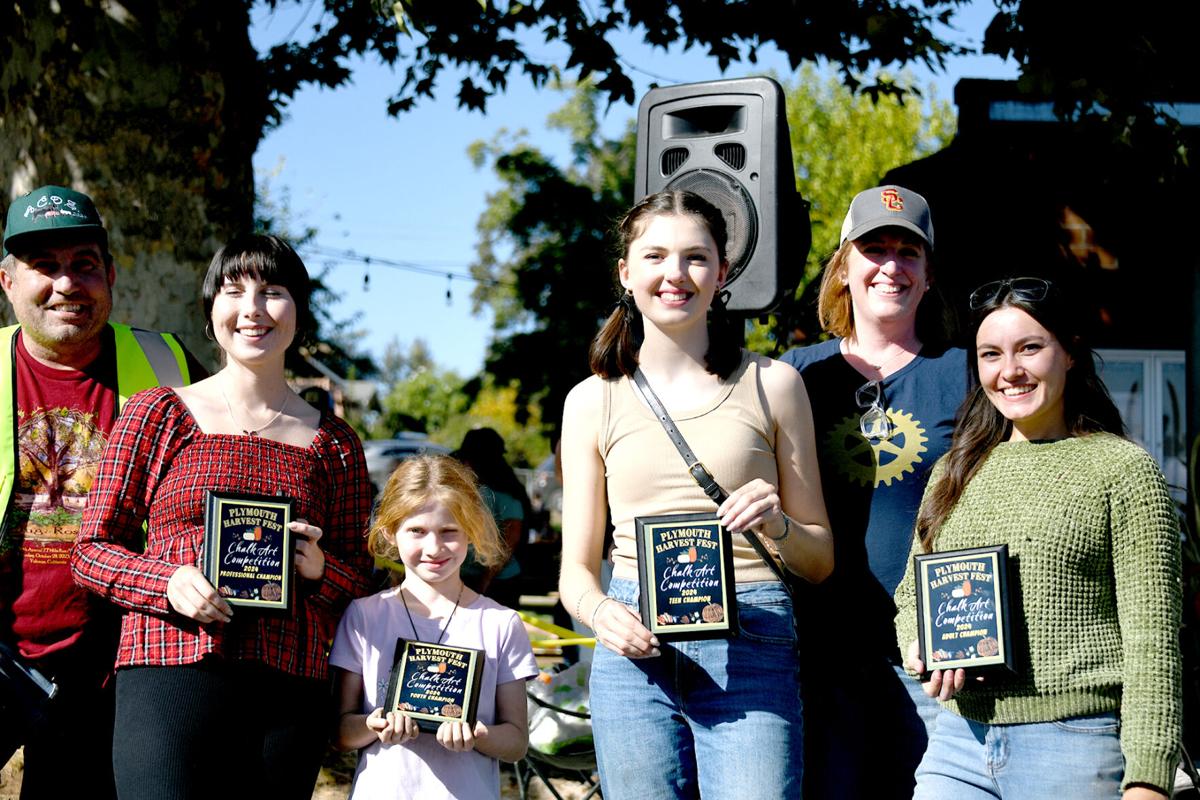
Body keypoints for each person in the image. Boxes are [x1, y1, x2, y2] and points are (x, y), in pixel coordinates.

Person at [71, 234, 373, 800]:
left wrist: (318, 569)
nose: (253, 309)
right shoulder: (159, 413)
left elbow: (361, 576)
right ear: (211, 312)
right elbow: (91, 553)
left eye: (273, 292)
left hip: (289, 683)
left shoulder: (335, 444)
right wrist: (167, 581)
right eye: (234, 290)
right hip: (168, 665)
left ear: (298, 313)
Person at [558, 189, 833, 799]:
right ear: (626, 273)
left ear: (723, 273)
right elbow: (575, 573)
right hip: (633, 652)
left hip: (753, 636)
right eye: (655, 256)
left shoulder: (776, 384)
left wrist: (777, 523)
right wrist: (604, 614)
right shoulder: (590, 400)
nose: (674, 274)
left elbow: (818, 561)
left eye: (695, 257)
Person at [894, 276, 1181, 799]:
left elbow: (1153, 642)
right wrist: (920, 645)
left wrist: (1148, 778)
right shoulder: (953, 472)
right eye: (990, 354)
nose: (1010, 372)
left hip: (1074, 744)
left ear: (1069, 353)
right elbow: (911, 595)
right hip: (957, 743)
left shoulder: (1122, 470)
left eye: (1030, 348)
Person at [0, 185, 202, 799]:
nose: (66, 283)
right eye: (45, 266)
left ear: (111, 275)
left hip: (116, 666)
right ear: (7, 282)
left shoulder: (172, 366)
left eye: (84, 264)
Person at [780, 184, 965, 798]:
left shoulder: (966, 373)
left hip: (931, 659)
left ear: (929, 272)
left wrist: (971, 632)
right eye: (874, 248)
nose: (891, 266)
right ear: (844, 270)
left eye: (908, 252)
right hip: (817, 655)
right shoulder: (796, 376)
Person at [330, 454, 538, 800]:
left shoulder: (500, 624)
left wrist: (476, 734)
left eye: (449, 532)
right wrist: (373, 725)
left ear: (471, 532)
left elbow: (516, 742)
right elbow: (339, 732)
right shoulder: (364, 617)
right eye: (417, 531)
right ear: (389, 532)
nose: (434, 547)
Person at [452, 426, 532, 609]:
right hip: (468, 576)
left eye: (468, 458)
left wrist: (485, 580)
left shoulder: (505, 491)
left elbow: (511, 538)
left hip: (498, 581)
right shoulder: (467, 487)